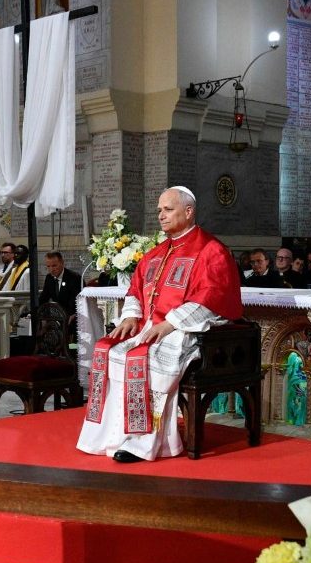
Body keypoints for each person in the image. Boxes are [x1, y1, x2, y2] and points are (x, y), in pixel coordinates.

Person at [77, 187, 242, 463]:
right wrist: (131, 316)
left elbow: (212, 298)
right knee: (108, 350)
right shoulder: (155, 254)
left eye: (168, 210)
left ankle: (143, 443)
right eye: (159, 211)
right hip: (149, 326)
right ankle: (112, 435)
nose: (161, 216)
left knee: (143, 359)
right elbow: (136, 290)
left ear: (188, 212)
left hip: (184, 331)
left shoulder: (211, 251)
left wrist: (169, 324)